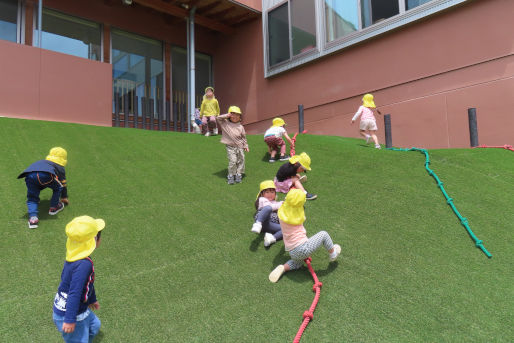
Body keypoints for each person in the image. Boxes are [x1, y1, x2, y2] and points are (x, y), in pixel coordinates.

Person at [268, 189, 341, 283]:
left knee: (297, 262)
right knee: (324, 234)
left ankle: (283, 267)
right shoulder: (298, 216)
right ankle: (333, 254)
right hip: (303, 248)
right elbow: (300, 214)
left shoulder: (281, 213)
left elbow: (286, 204)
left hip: (292, 251)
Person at [52, 216, 105, 343]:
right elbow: (74, 292)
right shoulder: (84, 264)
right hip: (72, 314)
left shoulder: (73, 257)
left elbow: (87, 283)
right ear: (94, 240)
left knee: (95, 326)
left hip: (77, 309)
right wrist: (70, 319)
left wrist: (92, 299)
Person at [17, 147, 69, 229]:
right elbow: (63, 183)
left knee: (32, 198)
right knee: (58, 187)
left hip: (29, 175)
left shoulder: (43, 162)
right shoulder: (60, 167)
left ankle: (33, 219)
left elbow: (37, 176)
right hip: (45, 175)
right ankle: (54, 207)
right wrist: (64, 197)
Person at [216, 106, 249, 185]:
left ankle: (238, 174)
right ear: (229, 115)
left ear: (240, 117)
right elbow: (218, 118)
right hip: (230, 147)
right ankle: (231, 175)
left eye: (237, 115)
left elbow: (243, 138)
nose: (235, 116)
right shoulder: (225, 123)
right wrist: (227, 115)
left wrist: (246, 146)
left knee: (241, 160)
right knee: (233, 161)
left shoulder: (241, 127)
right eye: (233, 114)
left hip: (240, 146)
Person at [251, 180, 284, 247]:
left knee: (286, 230)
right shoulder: (262, 199)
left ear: (275, 193)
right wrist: (280, 204)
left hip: (269, 225)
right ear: (262, 194)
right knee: (268, 208)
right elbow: (270, 207)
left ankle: (271, 238)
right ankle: (258, 224)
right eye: (267, 192)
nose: (270, 194)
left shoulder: (275, 202)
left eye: (272, 192)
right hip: (263, 221)